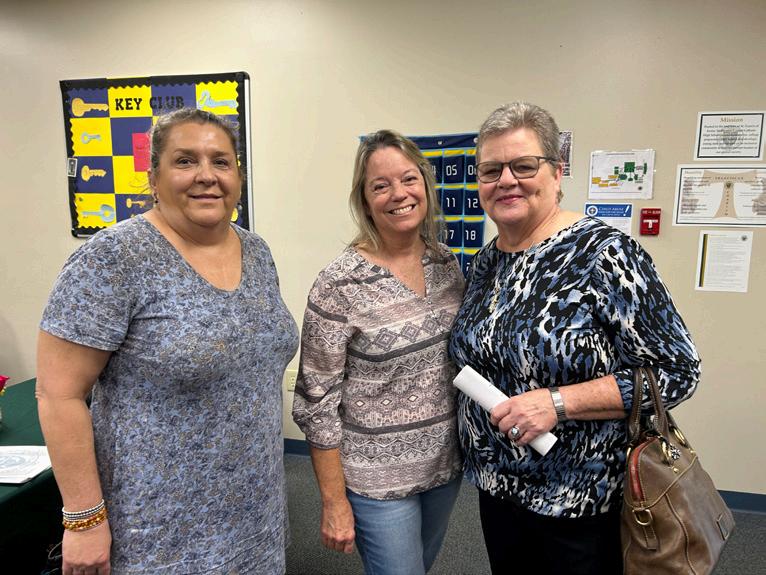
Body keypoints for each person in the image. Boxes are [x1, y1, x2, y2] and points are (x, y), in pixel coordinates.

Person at [36, 108, 299, 574]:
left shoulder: (256, 251)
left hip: (255, 511)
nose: (206, 175)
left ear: (238, 177)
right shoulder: (113, 258)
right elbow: (58, 394)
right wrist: (84, 520)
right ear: (154, 178)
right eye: (185, 161)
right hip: (156, 527)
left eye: (221, 161)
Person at [448, 102, 701, 575]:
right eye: (491, 170)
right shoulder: (486, 263)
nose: (506, 180)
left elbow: (678, 371)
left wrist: (558, 403)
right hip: (498, 491)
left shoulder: (604, 253)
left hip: (580, 499)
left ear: (557, 172)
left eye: (524, 166)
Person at [291, 130, 464, 575]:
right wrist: (334, 502)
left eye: (408, 179)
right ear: (365, 201)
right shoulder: (339, 284)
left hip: (444, 466)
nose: (398, 194)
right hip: (375, 478)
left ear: (425, 185)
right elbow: (316, 402)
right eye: (380, 185)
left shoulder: (445, 264)